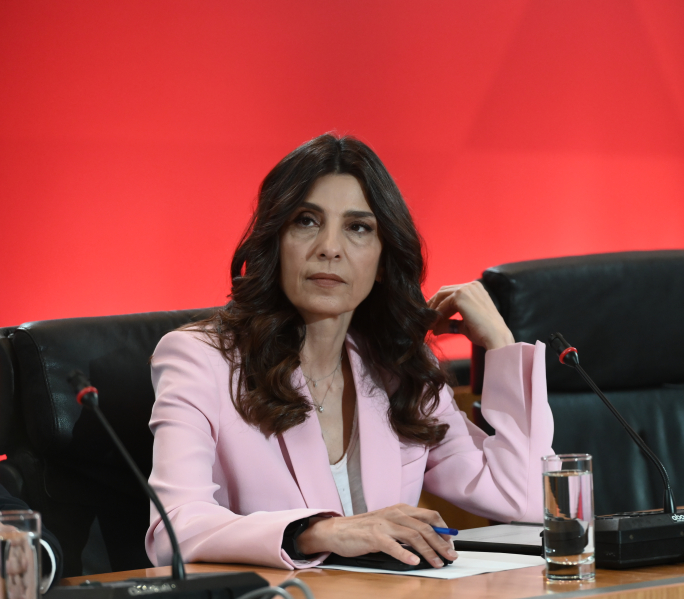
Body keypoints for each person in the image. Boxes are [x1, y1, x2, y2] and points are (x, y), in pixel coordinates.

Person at [145, 134, 554, 571]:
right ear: (275, 242)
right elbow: (174, 529)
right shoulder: (199, 360)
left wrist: (501, 344)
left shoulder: (399, 368)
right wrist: (317, 532)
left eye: (358, 228)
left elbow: (524, 499)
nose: (329, 247)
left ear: (382, 261)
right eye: (306, 221)